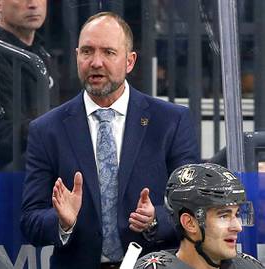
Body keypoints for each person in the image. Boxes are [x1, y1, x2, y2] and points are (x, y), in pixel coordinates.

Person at [20, 11, 200, 269]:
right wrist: (63, 222)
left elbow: (193, 207)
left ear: (130, 61)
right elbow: (30, 219)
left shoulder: (171, 121)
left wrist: (155, 219)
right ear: (76, 57)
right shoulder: (47, 130)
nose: (95, 62)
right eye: (87, 51)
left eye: (108, 52)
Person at [0, 0, 58, 170]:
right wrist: (54, 126)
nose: (33, 4)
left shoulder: (41, 53)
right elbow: (1, 137)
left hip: (33, 167)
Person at [134, 163, 264, 269]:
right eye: (223, 216)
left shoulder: (249, 266)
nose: (237, 227)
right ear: (189, 223)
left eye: (237, 214)